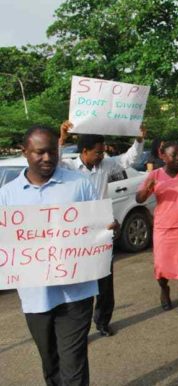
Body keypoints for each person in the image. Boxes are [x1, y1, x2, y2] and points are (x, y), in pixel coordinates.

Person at [0, 125, 105, 385]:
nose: (47, 158)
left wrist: (105, 229)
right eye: (40, 152)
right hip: (36, 297)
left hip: (76, 292)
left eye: (53, 152)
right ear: (25, 152)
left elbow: (98, 229)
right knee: (51, 363)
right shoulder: (7, 196)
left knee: (73, 364)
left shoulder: (79, 184)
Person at [58, 120, 145, 337]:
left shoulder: (105, 166)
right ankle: (80, 328)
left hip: (103, 231)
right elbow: (52, 160)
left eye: (103, 151)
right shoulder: (68, 168)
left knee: (105, 281)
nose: (101, 155)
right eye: (98, 152)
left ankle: (103, 321)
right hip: (77, 234)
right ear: (84, 151)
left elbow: (128, 159)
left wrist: (139, 140)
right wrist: (62, 138)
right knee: (80, 283)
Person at [136, 142, 178, 317]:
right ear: (162, 156)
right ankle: (164, 290)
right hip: (162, 228)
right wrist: (147, 189)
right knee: (161, 267)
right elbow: (139, 199)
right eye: (173, 155)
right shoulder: (155, 175)